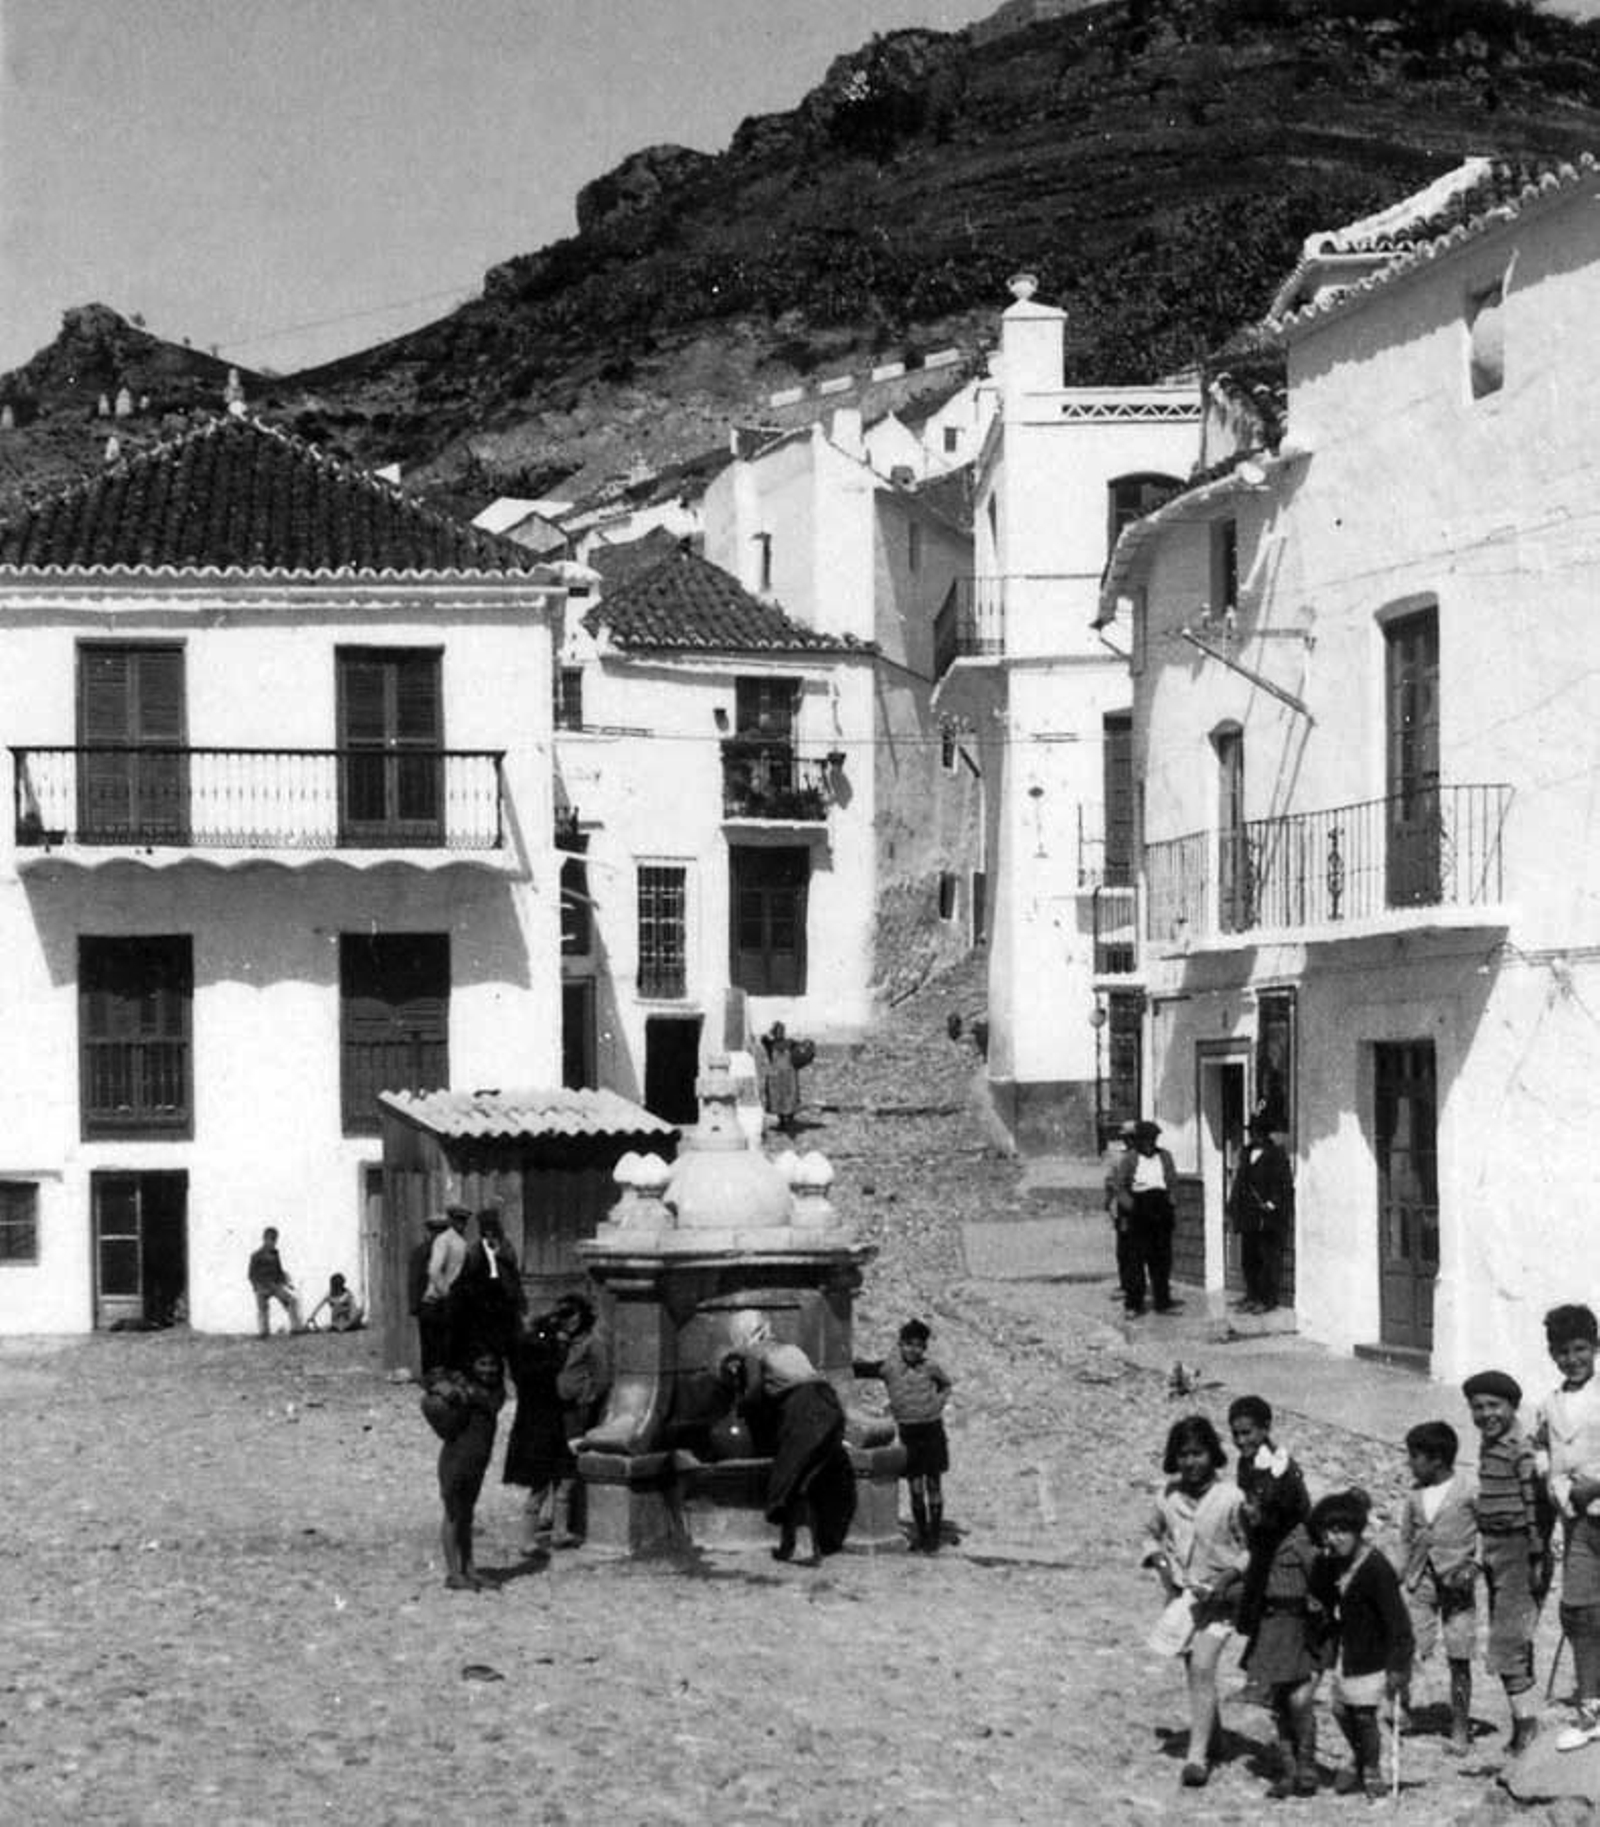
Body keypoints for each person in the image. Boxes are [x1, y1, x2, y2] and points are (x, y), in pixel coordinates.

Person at [1139, 1413, 1248, 1790]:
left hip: (1223, 1599)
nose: (1191, 1462)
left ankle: (1196, 1758)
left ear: (1212, 1454)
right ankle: (1213, 1738)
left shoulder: (1231, 1498)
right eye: (1183, 1455)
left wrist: (1229, 1577)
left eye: (1198, 1453)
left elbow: (1251, 1549)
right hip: (1183, 1599)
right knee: (1194, 1669)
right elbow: (1150, 1534)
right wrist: (1159, 1561)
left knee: (1202, 1665)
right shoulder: (1167, 1497)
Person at [1229, 1396, 1319, 1800]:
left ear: (1265, 1429)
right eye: (1236, 1434)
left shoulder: (1283, 1470)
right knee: (1278, 1695)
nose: (1241, 1440)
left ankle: (1307, 1763)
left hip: (1292, 1605)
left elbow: (1289, 1516)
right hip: (1267, 1596)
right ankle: (1290, 1769)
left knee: (1296, 1692)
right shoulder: (1247, 1466)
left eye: (1247, 1432)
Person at [719, 1311, 855, 1564]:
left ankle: (799, 1546)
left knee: (790, 1480)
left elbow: (754, 1395)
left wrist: (738, 1404)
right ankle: (801, 1545)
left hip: (806, 1413)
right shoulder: (791, 1349)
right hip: (830, 1406)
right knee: (805, 1479)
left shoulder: (755, 1354)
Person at [1463, 1368, 1550, 1756]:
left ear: (1513, 1406)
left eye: (1494, 1405)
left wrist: (1537, 1553)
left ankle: (1527, 1726)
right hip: (1495, 1549)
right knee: (1513, 1639)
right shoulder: (1489, 1444)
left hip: (1519, 1549)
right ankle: (1523, 1724)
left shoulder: (1520, 1448)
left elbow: (1534, 1504)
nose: (1486, 1414)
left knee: (1507, 1641)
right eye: (1477, 1407)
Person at [1308, 1488, 1414, 1799]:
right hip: (1347, 1650)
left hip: (1374, 1652)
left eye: (1342, 1531)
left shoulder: (1376, 1568)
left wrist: (1399, 1667)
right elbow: (1323, 1596)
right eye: (1328, 1531)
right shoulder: (1331, 1563)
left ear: (1357, 1531)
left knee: (1365, 1715)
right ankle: (1361, 1756)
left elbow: (1398, 1622)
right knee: (1341, 1710)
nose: (1334, 1538)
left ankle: (1371, 1770)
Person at [1535, 1303, 1600, 1751]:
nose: (1572, 1359)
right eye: (1562, 1351)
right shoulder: (1550, 1403)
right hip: (1578, 1525)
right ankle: (1591, 1707)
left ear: (1595, 1347)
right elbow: (1542, 1445)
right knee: (1579, 1610)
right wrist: (1552, 1479)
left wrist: (1594, 1484)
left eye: (1579, 1349)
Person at [1393, 1420, 1478, 1756]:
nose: (1409, 1463)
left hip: (1458, 1583)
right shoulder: (1415, 1494)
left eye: (1414, 1457)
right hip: (1420, 1580)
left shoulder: (1467, 1490)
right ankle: (1401, 1711)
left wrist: (1475, 1566)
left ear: (1437, 1459)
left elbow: (1487, 1532)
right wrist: (1399, 1573)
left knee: (1459, 1654)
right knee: (1409, 1645)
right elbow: (1405, 1537)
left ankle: (1460, 1728)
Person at [854, 1317, 954, 1554]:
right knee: (915, 1484)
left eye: (918, 1345)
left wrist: (937, 1404)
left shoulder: (931, 1367)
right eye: (909, 1344)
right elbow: (861, 1369)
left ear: (924, 1348)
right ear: (900, 1344)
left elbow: (946, 1385)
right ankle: (921, 1535)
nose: (913, 1350)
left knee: (933, 1483)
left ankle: (934, 1537)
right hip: (909, 1432)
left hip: (932, 1430)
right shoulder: (889, 1368)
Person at [429, 1343, 507, 1592]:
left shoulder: (493, 1392)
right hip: (455, 1460)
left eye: (492, 1364)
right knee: (453, 1514)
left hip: (477, 1462)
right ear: (472, 1366)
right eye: (482, 1364)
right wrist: (447, 1387)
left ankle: (469, 1568)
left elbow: (487, 1403)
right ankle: (454, 1573)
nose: (488, 1369)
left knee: (467, 1515)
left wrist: (461, 1391)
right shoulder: (465, 1389)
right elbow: (431, 1383)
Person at [502, 1308, 570, 1555]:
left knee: (559, 1478)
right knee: (544, 1483)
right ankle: (529, 1540)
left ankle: (557, 1531)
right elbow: (555, 1364)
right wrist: (561, 1346)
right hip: (544, 1425)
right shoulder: (539, 1366)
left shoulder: (522, 1362)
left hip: (533, 1424)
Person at [549, 1292, 608, 1548]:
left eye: (572, 1314)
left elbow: (602, 1377)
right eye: (563, 1315)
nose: (568, 1320)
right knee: (557, 1462)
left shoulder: (592, 1343)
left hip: (577, 1410)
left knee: (570, 1464)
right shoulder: (560, 1342)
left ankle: (564, 1525)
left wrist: (586, 1398)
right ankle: (557, 1519)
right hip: (557, 1409)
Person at [1108, 1118, 1179, 1316]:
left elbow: (1172, 1181)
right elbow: (1120, 1187)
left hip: (1161, 1207)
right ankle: (1134, 1304)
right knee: (1135, 1260)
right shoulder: (1130, 1159)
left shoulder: (1164, 1156)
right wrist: (1132, 1207)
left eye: (1152, 1139)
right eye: (1145, 1139)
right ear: (1138, 1140)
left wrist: (1171, 1202)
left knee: (1161, 1259)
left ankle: (1162, 1301)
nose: (1149, 1144)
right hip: (1139, 1207)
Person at [1227, 1110, 1294, 1314]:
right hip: (1248, 1214)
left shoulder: (1276, 1154)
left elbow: (1283, 1184)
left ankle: (1267, 1300)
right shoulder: (1246, 1152)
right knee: (1249, 1258)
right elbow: (1239, 1181)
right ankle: (1252, 1295)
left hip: (1267, 1215)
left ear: (1266, 1133)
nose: (1254, 1135)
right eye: (1252, 1132)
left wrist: (1272, 1204)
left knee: (1268, 1259)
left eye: (1258, 1132)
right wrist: (1233, 1205)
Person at [449, 1208, 525, 1369]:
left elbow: (513, 1270)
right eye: (486, 1228)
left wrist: (498, 1254)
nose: (489, 1232)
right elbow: (469, 1273)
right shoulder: (476, 1249)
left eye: (492, 1227)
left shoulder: (505, 1246)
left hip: (504, 1298)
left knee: (510, 1340)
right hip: (484, 1300)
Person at [419, 1204, 471, 1373]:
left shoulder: (461, 1242)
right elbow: (434, 1270)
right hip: (438, 1301)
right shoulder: (444, 1240)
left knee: (448, 1348)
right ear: (451, 1220)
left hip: (452, 1301)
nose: (461, 1224)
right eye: (457, 1220)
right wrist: (446, 1292)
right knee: (434, 1349)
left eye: (464, 1220)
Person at [1103, 1118, 1142, 1316]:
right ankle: (1126, 1286)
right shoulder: (1118, 1157)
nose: (1129, 1140)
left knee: (1136, 1254)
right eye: (1126, 1137)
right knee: (1123, 1251)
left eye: (1132, 1137)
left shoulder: (1144, 1157)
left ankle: (1135, 1297)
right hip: (1124, 1210)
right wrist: (1108, 1201)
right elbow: (1110, 1182)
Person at [409, 1212, 449, 1372]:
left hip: (448, 1305)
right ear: (430, 1232)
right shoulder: (422, 1252)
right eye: (435, 1230)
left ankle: (446, 1374)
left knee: (447, 1342)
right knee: (429, 1342)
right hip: (428, 1306)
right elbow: (414, 1279)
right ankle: (430, 1376)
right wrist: (415, 1305)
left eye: (442, 1231)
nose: (438, 1234)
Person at [247, 1227, 302, 1337]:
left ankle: (296, 1328)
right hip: (262, 1287)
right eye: (271, 1239)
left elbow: (278, 1270)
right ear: (264, 1239)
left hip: (275, 1286)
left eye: (274, 1239)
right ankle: (263, 1332)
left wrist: (286, 1282)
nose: (273, 1242)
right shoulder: (256, 1255)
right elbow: (251, 1274)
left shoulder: (275, 1254)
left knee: (292, 1300)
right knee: (263, 1309)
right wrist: (256, 1288)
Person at [761, 1022, 812, 1138]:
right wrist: (770, 1032)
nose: (780, 1033)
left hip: (788, 1075)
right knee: (777, 1099)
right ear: (775, 1032)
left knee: (790, 1098)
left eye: (781, 1030)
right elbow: (763, 1038)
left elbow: (802, 1048)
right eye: (777, 1030)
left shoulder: (790, 1043)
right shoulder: (770, 1044)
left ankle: (788, 1120)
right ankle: (783, 1122)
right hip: (776, 1076)